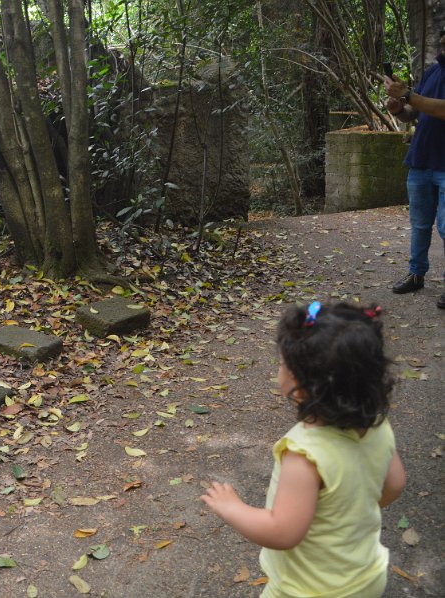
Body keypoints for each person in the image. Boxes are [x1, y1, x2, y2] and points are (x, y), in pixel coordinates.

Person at [200, 301, 406, 598]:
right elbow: (394, 485)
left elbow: (282, 532)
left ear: (302, 384)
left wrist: (232, 508)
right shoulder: (378, 426)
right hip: (367, 577)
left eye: (283, 364)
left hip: (307, 590)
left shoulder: (305, 454)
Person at [383, 30, 445, 309]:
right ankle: (416, 273)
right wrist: (398, 108)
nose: (442, 47)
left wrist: (408, 94)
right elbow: (414, 113)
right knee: (419, 225)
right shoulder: (432, 72)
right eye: (442, 42)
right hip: (421, 160)